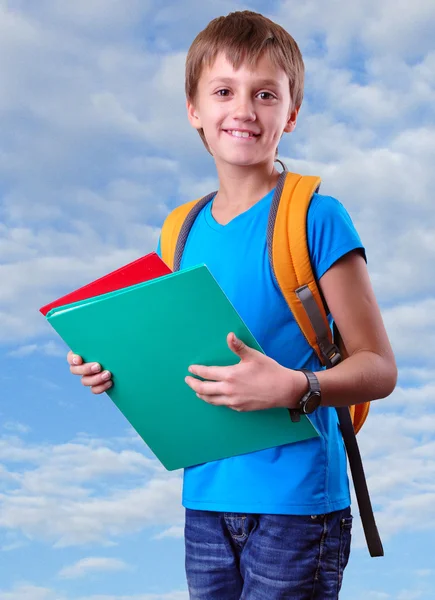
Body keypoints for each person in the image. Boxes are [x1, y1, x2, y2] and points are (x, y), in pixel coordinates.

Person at [67, 10, 397, 599]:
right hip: (205, 500)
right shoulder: (178, 231)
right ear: (194, 109)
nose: (243, 109)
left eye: (265, 94)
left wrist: (296, 387)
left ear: (290, 114)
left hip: (298, 504)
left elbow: (379, 368)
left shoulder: (315, 217)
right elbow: (170, 354)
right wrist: (110, 367)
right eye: (223, 91)